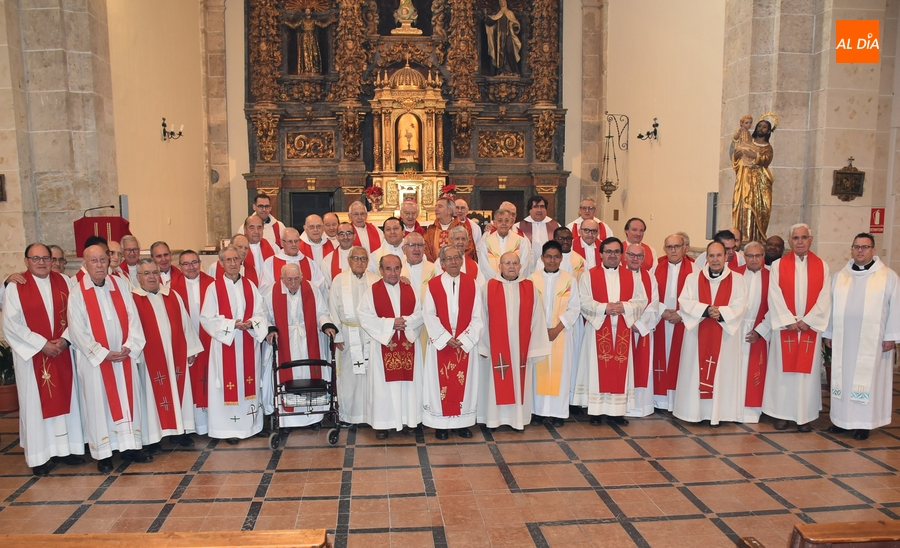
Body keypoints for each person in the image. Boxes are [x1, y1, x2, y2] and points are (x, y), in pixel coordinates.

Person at [2, 244, 85, 476]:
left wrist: (65, 340)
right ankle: (40, 456)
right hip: (33, 358)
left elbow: (77, 316)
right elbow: (11, 324)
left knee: (67, 400)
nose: (41, 262)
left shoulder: (65, 283)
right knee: (35, 405)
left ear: (52, 260)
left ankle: (66, 450)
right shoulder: (16, 287)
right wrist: (42, 344)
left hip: (62, 353)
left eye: (46, 258)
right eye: (35, 258)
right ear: (26, 260)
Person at [67, 244, 149, 472]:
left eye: (103, 259)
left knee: (128, 401)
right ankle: (103, 454)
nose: (99, 265)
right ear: (85, 263)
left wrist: (128, 346)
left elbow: (133, 317)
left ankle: (129, 447)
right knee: (98, 405)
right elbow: (77, 331)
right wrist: (103, 353)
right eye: (93, 261)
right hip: (96, 363)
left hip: (123, 358)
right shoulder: (77, 293)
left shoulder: (120, 285)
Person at [824, 233, 900, 440]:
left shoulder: (888, 276)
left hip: (873, 342)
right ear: (852, 249)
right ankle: (841, 420)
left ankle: (863, 423)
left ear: (873, 250)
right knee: (843, 378)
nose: (860, 250)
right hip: (843, 339)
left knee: (866, 380)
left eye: (865, 247)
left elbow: (896, 308)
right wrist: (829, 332)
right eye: (857, 246)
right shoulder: (840, 276)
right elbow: (830, 306)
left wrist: (891, 336)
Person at [199, 245, 270, 445]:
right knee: (228, 385)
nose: (232, 263)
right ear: (221, 264)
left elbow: (261, 312)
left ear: (241, 261)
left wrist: (252, 323)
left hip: (247, 342)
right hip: (226, 346)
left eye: (236, 259)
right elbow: (207, 318)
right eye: (228, 260)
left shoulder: (250, 286)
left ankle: (252, 426)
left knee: (249, 382)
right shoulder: (214, 288)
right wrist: (232, 325)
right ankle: (227, 428)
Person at [763, 223, 831, 432]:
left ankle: (804, 416)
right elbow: (774, 295)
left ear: (811, 240)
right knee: (782, 373)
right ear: (790, 241)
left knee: (806, 375)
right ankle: (781, 415)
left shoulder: (823, 266)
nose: (800, 241)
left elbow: (825, 297)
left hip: (809, 327)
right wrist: (787, 319)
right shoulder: (778, 266)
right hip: (786, 327)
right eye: (795, 238)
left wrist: (808, 320)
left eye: (804, 237)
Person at [573, 237, 647, 426]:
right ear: (601, 254)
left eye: (616, 252)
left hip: (622, 327)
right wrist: (604, 308)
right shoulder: (588, 275)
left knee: (619, 369)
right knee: (596, 370)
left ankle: (617, 412)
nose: (612, 255)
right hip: (598, 328)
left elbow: (641, 300)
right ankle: (596, 412)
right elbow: (582, 300)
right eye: (608, 252)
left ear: (621, 255)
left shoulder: (632, 276)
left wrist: (624, 307)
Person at [131, 259, 202, 453]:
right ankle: (153, 438)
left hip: (175, 354)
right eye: (146, 273)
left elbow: (185, 323)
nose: (152, 276)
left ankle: (180, 432)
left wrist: (191, 349)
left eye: (155, 272)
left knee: (179, 390)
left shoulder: (172, 295)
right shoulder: (133, 299)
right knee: (151, 396)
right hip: (149, 360)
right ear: (138, 277)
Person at [674, 241, 747, 426]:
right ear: (706, 258)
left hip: (725, 337)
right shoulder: (693, 278)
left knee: (722, 373)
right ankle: (694, 413)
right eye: (712, 256)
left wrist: (721, 313)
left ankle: (720, 414)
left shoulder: (738, 280)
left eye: (719, 255)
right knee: (695, 373)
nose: (715, 260)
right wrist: (706, 310)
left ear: (726, 257)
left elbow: (742, 304)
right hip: (698, 333)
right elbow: (684, 301)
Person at [477, 252, 550, 430]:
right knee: (495, 384)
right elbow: (481, 318)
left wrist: (534, 348)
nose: (511, 266)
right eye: (507, 263)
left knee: (519, 382)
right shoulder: (488, 287)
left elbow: (537, 318)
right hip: (496, 347)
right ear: (499, 266)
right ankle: (493, 420)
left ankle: (517, 420)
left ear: (520, 266)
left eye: (515, 263)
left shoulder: (529, 287)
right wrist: (484, 346)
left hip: (520, 348)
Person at [357, 254, 424, 439]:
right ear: (381, 270)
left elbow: (420, 313)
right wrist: (390, 324)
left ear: (401, 269)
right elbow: (364, 316)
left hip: (408, 343)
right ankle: (383, 424)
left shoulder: (410, 288)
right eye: (388, 268)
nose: (393, 273)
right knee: (383, 387)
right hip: (383, 345)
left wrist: (407, 322)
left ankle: (409, 420)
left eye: (396, 268)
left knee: (408, 385)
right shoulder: (372, 291)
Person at [263, 263, 338, 428]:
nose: (293, 283)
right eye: (289, 279)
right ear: (282, 278)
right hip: (284, 341)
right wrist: (270, 330)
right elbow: (264, 316)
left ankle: (313, 416)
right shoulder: (270, 293)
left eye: (297, 279)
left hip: (309, 341)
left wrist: (326, 325)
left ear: (302, 277)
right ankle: (286, 419)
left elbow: (321, 313)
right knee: (289, 376)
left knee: (309, 375)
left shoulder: (312, 290)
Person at [423, 245, 483, 439]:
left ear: (462, 260)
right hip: (442, 343)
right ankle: (441, 425)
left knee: (465, 384)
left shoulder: (473, 284)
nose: (453, 262)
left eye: (457, 258)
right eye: (448, 259)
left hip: (465, 343)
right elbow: (429, 314)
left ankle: (462, 423)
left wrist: (464, 339)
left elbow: (478, 316)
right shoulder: (432, 285)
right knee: (439, 384)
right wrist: (445, 337)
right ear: (441, 263)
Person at [530, 241, 581, 427]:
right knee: (538, 371)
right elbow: (530, 308)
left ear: (561, 258)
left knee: (561, 371)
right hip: (538, 334)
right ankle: (538, 412)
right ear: (542, 258)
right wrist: (542, 329)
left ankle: (558, 413)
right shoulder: (532, 279)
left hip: (561, 333)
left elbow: (574, 308)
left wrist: (557, 328)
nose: (552, 260)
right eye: (548, 256)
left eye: (556, 256)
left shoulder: (569, 280)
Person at [328, 246, 378, 425]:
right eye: (356, 258)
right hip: (348, 336)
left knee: (370, 376)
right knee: (349, 378)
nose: (359, 262)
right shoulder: (339, 281)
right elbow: (332, 308)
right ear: (349, 261)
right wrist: (338, 335)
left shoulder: (375, 279)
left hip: (370, 335)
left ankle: (369, 415)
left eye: (363, 259)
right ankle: (348, 416)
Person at [171, 250, 215, 438]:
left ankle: (211, 423)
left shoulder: (212, 284)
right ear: (180, 267)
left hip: (209, 340)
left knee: (208, 381)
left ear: (200, 263)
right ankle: (189, 426)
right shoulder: (171, 288)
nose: (191, 267)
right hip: (185, 342)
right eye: (186, 264)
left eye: (194, 262)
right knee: (187, 384)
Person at [653, 234, 699, 411]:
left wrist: (681, 313)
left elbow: (698, 297)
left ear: (684, 248)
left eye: (677, 246)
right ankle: (660, 400)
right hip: (661, 320)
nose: (673, 250)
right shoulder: (657, 267)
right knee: (660, 359)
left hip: (683, 321)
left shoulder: (695, 270)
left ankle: (677, 401)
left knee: (680, 359)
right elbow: (650, 292)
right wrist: (662, 311)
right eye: (669, 247)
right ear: (664, 249)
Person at [732, 241, 771, 423]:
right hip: (734, 329)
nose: (754, 259)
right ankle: (731, 407)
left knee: (756, 368)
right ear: (744, 257)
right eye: (750, 256)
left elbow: (776, 307)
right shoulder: (734, 275)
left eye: (758, 256)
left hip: (759, 331)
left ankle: (752, 409)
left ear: (763, 257)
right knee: (733, 368)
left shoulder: (772, 277)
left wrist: (760, 330)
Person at [625, 243, 658, 418]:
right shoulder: (618, 275)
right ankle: (622, 406)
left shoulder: (650, 278)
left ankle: (640, 406)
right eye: (631, 255)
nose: (635, 259)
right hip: (623, 329)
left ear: (644, 259)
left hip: (641, 331)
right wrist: (629, 322)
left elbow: (653, 305)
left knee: (642, 367)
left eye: (639, 256)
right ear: (625, 256)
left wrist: (639, 325)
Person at [732, 119, 774, 244]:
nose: (761, 128)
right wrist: (737, 155)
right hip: (745, 179)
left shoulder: (768, 147)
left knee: (761, 208)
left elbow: (767, 160)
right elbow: (737, 159)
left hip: (761, 183)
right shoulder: (748, 142)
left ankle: (757, 236)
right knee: (744, 204)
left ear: (768, 131)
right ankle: (744, 236)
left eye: (765, 127)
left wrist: (755, 156)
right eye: (759, 126)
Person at [260, 227, 325, 293]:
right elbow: (265, 290)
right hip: (280, 302)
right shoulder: (270, 263)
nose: (294, 244)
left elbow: (319, 286)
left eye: (296, 241)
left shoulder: (309, 263)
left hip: (304, 302)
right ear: (282, 243)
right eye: (290, 241)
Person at [478, 207, 532, 281]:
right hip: (494, 283)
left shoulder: (521, 241)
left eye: (507, 220)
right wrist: (498, 280)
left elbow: (525, 264)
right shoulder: (486, 242)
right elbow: (484, 266)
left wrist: (514, 278)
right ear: (495, 223)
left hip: (515, 282)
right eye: (500, 220)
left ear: (511, 222)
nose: (503, 223)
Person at [515, 196, 560, 272]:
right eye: (535, 206)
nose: (539, 210)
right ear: (530, 210)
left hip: (549, 267)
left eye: (542, 207)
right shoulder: (518, 227)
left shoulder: (556, 226)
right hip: (527, 268)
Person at [424, 197, 475, 262]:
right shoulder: (431, 230)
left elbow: (469, 249)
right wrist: (436, 266)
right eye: (436, 206)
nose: (436, 209)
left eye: (440, 206)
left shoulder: (462, 228)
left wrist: (455, 263)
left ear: (449, 210)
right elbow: (426, 251)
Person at [484, 0, 522, 75]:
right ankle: (502, 70)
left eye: (503, 1)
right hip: (499, 37)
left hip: (508, 36)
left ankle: (513, 70)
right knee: (500, 53)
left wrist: (513, 26)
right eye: (501, 2)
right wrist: (485, 16)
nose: (502, 3)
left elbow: (516, 23)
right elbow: (490, 22)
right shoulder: (498, 14)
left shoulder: (510, 13)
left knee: (509, 51)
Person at [243, 215, 281, 287]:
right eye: (252, 227)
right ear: (245, 229)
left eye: (259, 227)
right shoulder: (239, 249)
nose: (256, 231)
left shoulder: (273, 248)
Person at [400, 232, 436, 297]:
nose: (417, 249)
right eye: (412, 245)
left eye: (420, 245)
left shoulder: (435, 270)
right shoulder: (397, 271)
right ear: (404, 249)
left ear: (424, 248)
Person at [321, 222, 356, 288]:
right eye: (341, 234)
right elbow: (326, 288)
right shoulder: (327, 260)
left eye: (349, 233)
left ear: (354, 236)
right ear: (337, 237)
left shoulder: (363, 258)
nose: (345, 237)